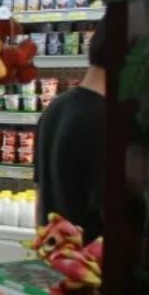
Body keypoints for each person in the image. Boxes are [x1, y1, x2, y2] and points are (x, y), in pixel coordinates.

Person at [34, 24, 105, 243]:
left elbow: (40, 196)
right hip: (92, 261)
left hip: (57, 255)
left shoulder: (55, 107)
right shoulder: (109, 122)